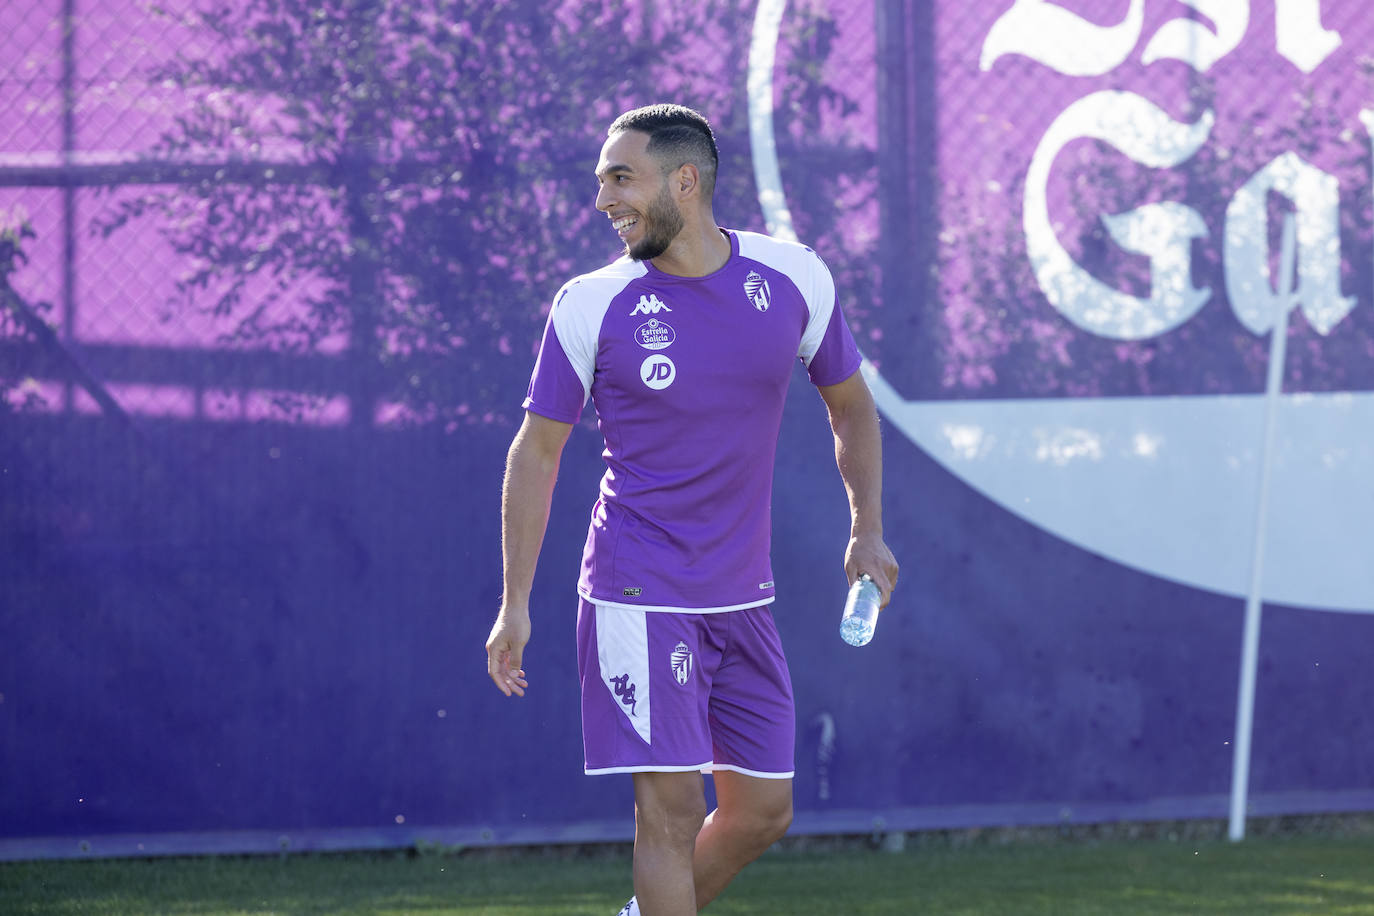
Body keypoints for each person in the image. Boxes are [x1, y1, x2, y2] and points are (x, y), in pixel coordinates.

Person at [484, 103, 898, 916]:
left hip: (744, 594)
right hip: (638, 593)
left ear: (686, 179)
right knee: (669, 814)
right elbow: (536, 452)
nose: (603, 199)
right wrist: (515, 603)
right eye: (603, 180)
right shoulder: (590, 303)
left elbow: (850, 406)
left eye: (620, 178)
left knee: (762, 812)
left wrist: (867, 528)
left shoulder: (793, 277)